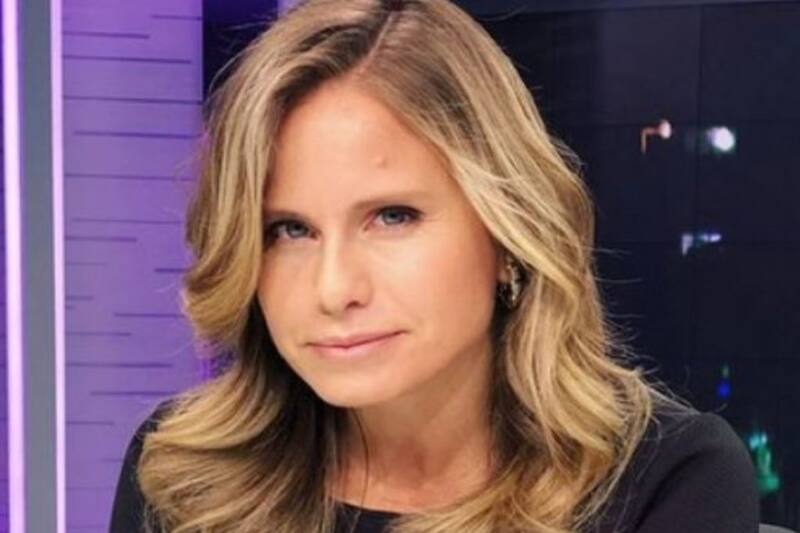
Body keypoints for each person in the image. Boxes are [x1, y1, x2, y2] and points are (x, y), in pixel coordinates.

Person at [109, 0, 759, 531]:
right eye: (290, 229)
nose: (334, 288)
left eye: (392, 216)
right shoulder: (184, 474)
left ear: (506, 233)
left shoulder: (666, 482)